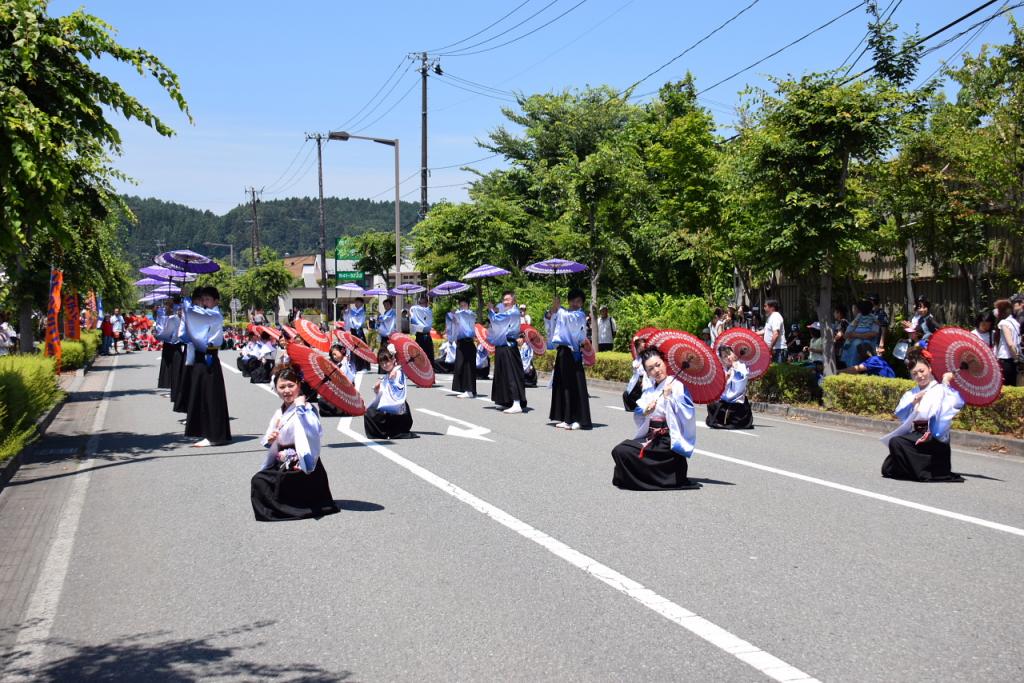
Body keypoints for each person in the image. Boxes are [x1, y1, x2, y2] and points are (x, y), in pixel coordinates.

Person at [250, 366, 340, 522]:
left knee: (261, 481)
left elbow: (314, 431)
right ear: (276, 389)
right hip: (283, 458)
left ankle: (289, 508)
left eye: (291, 385)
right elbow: (269, 437)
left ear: (299, 385)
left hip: (302, 462)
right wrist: (270, 439)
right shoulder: (280, 411)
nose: (286, 390)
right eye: (282, 387)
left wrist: (301, 408)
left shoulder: (307, 408)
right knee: (259, 480)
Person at [610, 348, 699, 491]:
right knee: (619, 451)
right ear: (646, 372)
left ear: (664, 363)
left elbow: (688, 413)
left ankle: (660, 477)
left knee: (622, 451)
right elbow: (639, 412)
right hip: (651, 437)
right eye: (650, 369)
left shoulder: (677, 386)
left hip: (667, 441)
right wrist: (646, 411)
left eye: (658, 365)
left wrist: (669, 398)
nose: (656, 370)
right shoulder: (650, 390)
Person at [880, 349, 965, 482]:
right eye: (915, 373)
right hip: (917, 434)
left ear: (929, 369)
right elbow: (901, 414)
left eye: (922, 371)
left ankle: (926, 471)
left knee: (896, 442)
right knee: (888, 468)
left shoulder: (940, 389)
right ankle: (915, 470)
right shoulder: (912, 393)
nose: (919, 376)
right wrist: (914, 403)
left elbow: (951, 405)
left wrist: (946, 382)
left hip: (934, 436)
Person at [183, 286, 231, 447]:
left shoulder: (214, 314)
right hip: (202, 355)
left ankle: (214, 435)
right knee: (202, 395)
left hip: (209, 355)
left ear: (216, 301)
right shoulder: (207, 313)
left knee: (210, 396)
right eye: (203, 299)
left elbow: (194, 314)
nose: (204, 302)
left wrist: (186, 300)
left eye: (208, 299)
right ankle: (208, 433)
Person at [545, 289, 591, 430]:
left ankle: (578, 419)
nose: (576, 304)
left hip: (573, 352)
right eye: (573, 300)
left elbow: (569, 320)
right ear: (569, 301)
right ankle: (567, 417)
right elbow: (551, 321)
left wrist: (559, 309)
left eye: (579, 301)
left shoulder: (579, 315)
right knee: (563, 385)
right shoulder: (564, 312)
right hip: (562, 351)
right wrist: (553, 309)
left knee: (574, 385)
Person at [363, 345, 414, 439]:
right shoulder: (388, 374)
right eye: (382, 363)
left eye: (386, 361)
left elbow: (398, 391)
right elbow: (382, 393)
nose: (384, 365)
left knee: (377, 413)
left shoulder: (397, 372)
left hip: (398, 407)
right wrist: (377, 388)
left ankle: (386, 432)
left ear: (393, 359)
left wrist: (393, 377)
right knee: (369, 412)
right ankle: (382, 433)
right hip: (389, 403)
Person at [488, 290, 527, 414]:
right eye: (504, 299)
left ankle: (516, 402)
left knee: (511, 375)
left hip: (509, 346)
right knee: (501, 374)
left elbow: (497, 319)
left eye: (508, 299)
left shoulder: (514, 312)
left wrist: (491, 310)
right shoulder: (507, 312)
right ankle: (505, 401)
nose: (505, 302)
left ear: (514, 300)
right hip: (502, 345)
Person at [705, 345, 753, 429]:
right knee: (712, 404)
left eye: (729, 354)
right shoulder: (721, 369)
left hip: (737, 400)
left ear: (734, 354)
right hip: (724, 399)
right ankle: (718, 421)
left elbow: (740, 386)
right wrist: (725, 379)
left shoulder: (741, 366)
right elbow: (718, 388)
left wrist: (736, 371)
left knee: (737, 410)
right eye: (724, 356)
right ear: (721, 359)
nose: (728, 357)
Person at [447, 296, 477, 398]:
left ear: (468, 306)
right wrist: (453, 316)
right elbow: (453, 324)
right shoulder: (459, 315)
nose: (462, 307)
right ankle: (464, 389)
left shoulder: (471, 314)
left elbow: (467, 320)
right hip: (460, 343)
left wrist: (457, 315)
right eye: (461, 305)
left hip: (468, 343)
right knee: (460, 366)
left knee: (468, 367)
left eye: (464, 305)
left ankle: (470, 390)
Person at [841, 300, 880, 368]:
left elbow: (873, 334)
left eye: (855, 308)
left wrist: (855, 335)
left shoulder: (872, 318)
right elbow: (848, 332)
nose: (854, 310)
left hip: (864, 356)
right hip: (851, 353)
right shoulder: (858, 318)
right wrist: (851, 334)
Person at [995, 298, 1020, 387]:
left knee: (1004, 388)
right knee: (1013, 386)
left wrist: (1016, 358)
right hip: (1013, 360)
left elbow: (1010, 344)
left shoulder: (1004, 323)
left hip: (1006, 360)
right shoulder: (1015, 322)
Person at [622, 339, 650, 412]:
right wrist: (635, 368)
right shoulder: (638, 358)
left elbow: (647, 370)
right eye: (640, 348)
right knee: (627, 394)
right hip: (637, 379)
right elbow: (635, 372)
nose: (642, 350)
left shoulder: (648, 356)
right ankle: (633, 407)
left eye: (643, 347)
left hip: (646, 378)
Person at [344, 298, 371, 372]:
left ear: (362, 304)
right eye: (356, 302)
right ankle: (355, 365)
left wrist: (351, 314)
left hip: (359, 331)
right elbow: (346, 319)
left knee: (361, 348)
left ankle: (363, 366)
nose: (356, 303)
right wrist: (347, 312)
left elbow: (359, 322)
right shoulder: (352, 311)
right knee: (354, 348)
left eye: (358, 302)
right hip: (353, 331)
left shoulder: (362, 312)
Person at [409, 295, 435, 367]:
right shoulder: (417, 310)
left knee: (429, 354)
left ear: (427, 303)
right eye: (420, 303)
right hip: (419, 335)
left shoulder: (429, 311)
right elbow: (412, 310)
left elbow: (426, 314)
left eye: (423, 303)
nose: (421, 305)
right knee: (418, 354)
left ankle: (430, 368)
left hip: (427, 334)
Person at [761, 299, 786, 364]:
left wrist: (770, 347)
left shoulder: (775, 317)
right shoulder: (770, 317)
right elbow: (765, 331)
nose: (764, 308)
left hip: (778, 349)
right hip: (773, 349)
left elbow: (776, 334)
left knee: (779, 372)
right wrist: (752, 333)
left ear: (772, 308)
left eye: (765, 306)